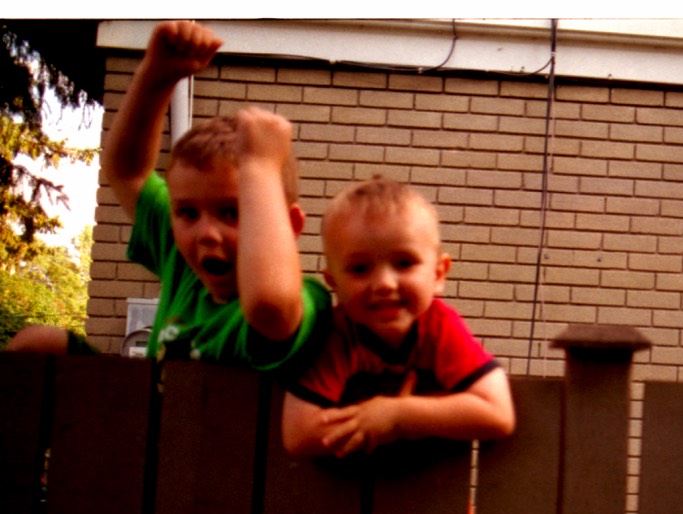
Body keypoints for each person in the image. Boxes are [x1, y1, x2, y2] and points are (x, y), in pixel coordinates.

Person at [7, 20, 331, 370]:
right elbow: (128, 171)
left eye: (233, 213)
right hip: (149, 404)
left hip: (221, 409)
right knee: (38, 343)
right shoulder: (183, 263)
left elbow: (270, 306)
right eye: (188, 213)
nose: (206, 233)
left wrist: (261, 165)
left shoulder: (301, 299)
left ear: (289, 225)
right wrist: (156, 76)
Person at [281, 176, 515, 458]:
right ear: (334, 283)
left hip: (431, 481)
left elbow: (498, 412)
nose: (384, 283)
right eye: (360, 269)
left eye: (404, 263)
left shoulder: (439, 327)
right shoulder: (336, 335)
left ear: (438, 274)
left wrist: (399, 415)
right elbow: (299, 434)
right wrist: (370, 420)